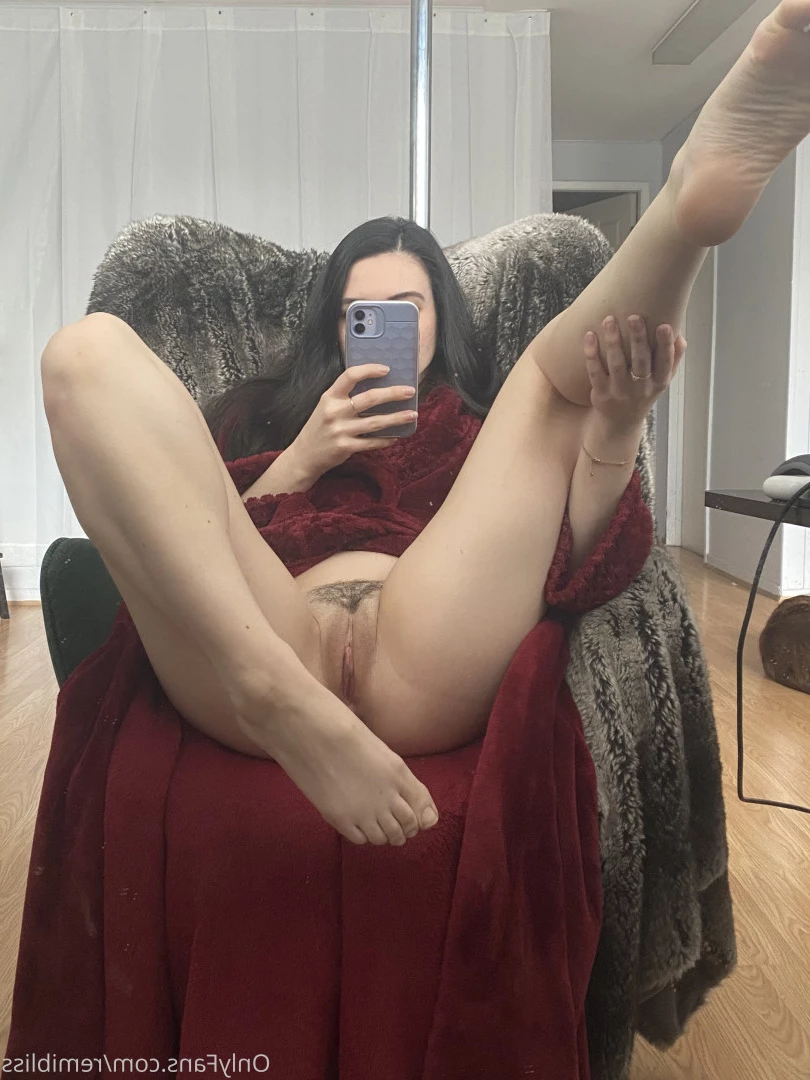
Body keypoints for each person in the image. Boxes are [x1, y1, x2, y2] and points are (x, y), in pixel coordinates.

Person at [40, 0, 810, 850]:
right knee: (83, 354)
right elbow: (179, 534)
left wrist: (619, 422)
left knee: (550, 385)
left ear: (441, 316)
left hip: (427, 647)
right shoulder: (261, 416)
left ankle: (687, 212)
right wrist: (299, 459)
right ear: (335, 326)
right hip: (255, 648)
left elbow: (579, 556)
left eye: (404, 309)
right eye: (359, 313)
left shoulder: (479, 429)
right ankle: (279, 701)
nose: (383, 330)